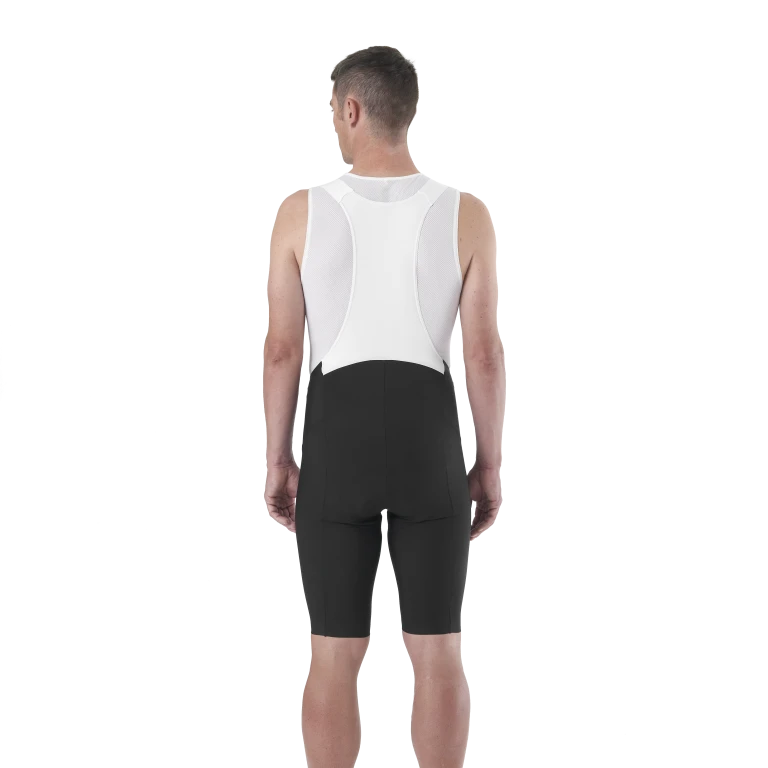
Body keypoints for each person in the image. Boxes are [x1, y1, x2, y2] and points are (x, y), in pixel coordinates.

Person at [263, 44, 504, 768]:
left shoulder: (300, 213)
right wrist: (489, 465)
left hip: (338, 440)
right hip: (429, 438)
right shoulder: (466, 214)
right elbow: (484, 355)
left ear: (351, 109)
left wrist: (278, 460)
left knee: (334, 650)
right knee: (439, 648)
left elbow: (283, 351)